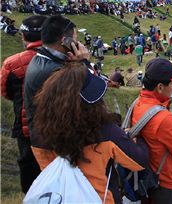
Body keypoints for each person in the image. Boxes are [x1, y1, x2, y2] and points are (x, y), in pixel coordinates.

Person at [31, 62, 148, 203]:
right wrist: (138, 138)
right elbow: (139, 161)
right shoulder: (106, 132)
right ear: (90, 105)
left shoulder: (39, 132)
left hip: (59, 197)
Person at [131, 58, 172, 203]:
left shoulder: (139, 102)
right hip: (170, 185)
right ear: (160, 87)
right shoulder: (163, 119)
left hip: (154, 177)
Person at [24, 16, 91, 147]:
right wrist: (84, 63)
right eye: (75, 39)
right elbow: (91, 94)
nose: (78, 44)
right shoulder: (55, 71)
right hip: (56, 145)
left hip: (46, 137)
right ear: (65, 41)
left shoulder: (42, 60)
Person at [1, 15, 47, 193]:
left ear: (23, 36)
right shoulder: (62, 60)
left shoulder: (11, 63)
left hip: (25, 125)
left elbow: (5, 93)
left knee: (29, 171)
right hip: (57, 125)